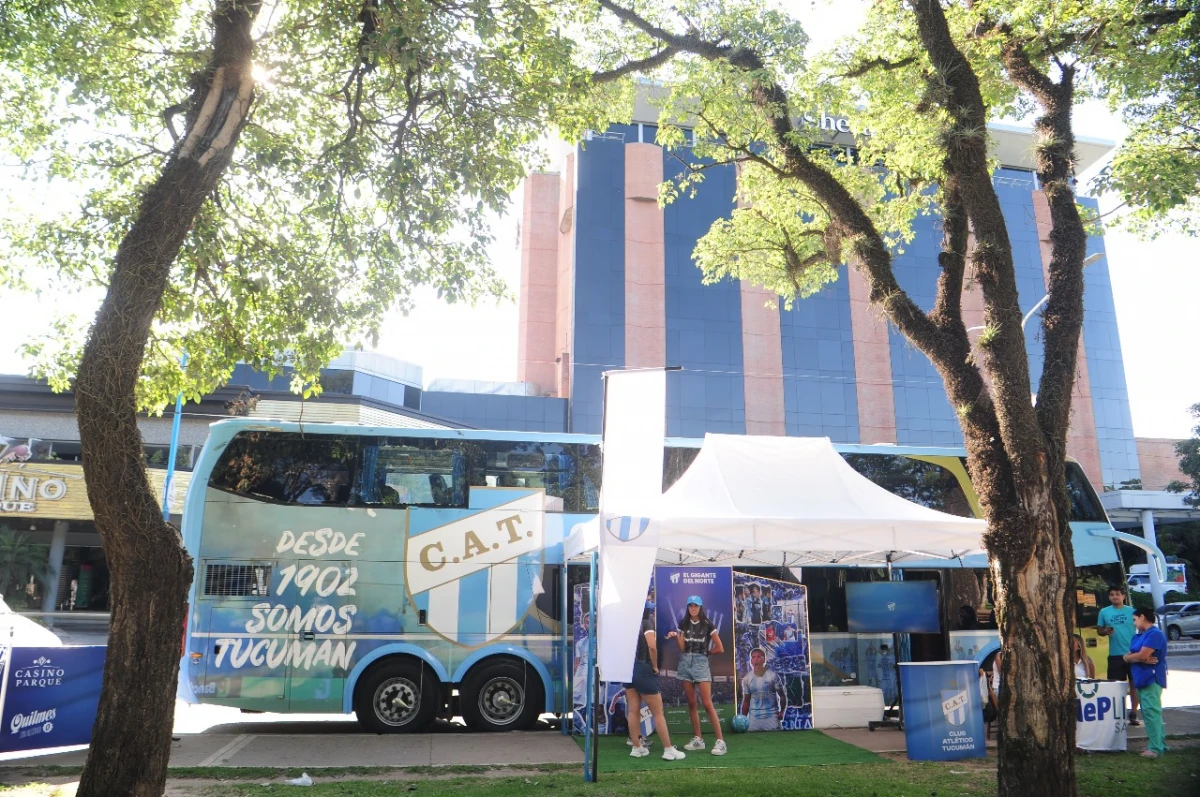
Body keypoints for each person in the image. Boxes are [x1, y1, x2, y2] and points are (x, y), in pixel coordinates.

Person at [666, 596, 727, 756]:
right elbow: (682, 648)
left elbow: (720, 647)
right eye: (691, 606)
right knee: (692, 703)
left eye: (696, 606)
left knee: (707, 703)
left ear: (700, 607)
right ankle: (698, 739)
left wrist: (706, 653)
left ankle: (721, 741)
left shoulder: (707, 624)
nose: (693, 608)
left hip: (700, 663)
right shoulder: (683, 624)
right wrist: (676, 637)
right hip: (685, 662)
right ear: (688, 607)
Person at [625, 604, 685, 760]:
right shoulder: (647, 622)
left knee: (633, 710)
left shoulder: (627, 623)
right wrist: (655, 665)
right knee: (658, 712)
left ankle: (637, 748)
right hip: (644, 668)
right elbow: (651, 646)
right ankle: (668, 749)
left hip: (628, 669)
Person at [1124, 608, 1167, 758]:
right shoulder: (1139, 636)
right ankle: (1159, 744)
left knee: (1151, 712)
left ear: (1142, 617)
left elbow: (1142, 655)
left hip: (1151, 677)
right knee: (1150, 712)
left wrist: (1135, 657)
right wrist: (1134, 657)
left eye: (1135, 620)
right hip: (1141, 677)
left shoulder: (1155, 634)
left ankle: (1155, 748)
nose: (1134, 623)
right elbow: (1131, 656)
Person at [1097, 585, 1140, 725]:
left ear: (1123, 596)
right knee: (1117, 686)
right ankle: (1119, 713)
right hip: (1115, 655)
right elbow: (1099, 630)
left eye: (1117, 594)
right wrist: (1105, 631)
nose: (1115, 596)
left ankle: (1133, 713)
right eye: (1111, 594)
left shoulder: (1133, 611)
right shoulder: (1104, 612)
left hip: (1133, 653)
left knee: (1134, 685)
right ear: (1109, 597)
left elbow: (1142, 628)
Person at [740, 648, 786, 731]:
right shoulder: (746, 679)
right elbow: (746, 700)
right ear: (751, 661)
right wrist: (743, 718)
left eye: (758, 657)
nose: (756, 659)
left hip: (771, 717)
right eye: (753, 657)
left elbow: (782, 695)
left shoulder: (773, 676)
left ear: (764, 659)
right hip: (754, 719)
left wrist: (781, 711)